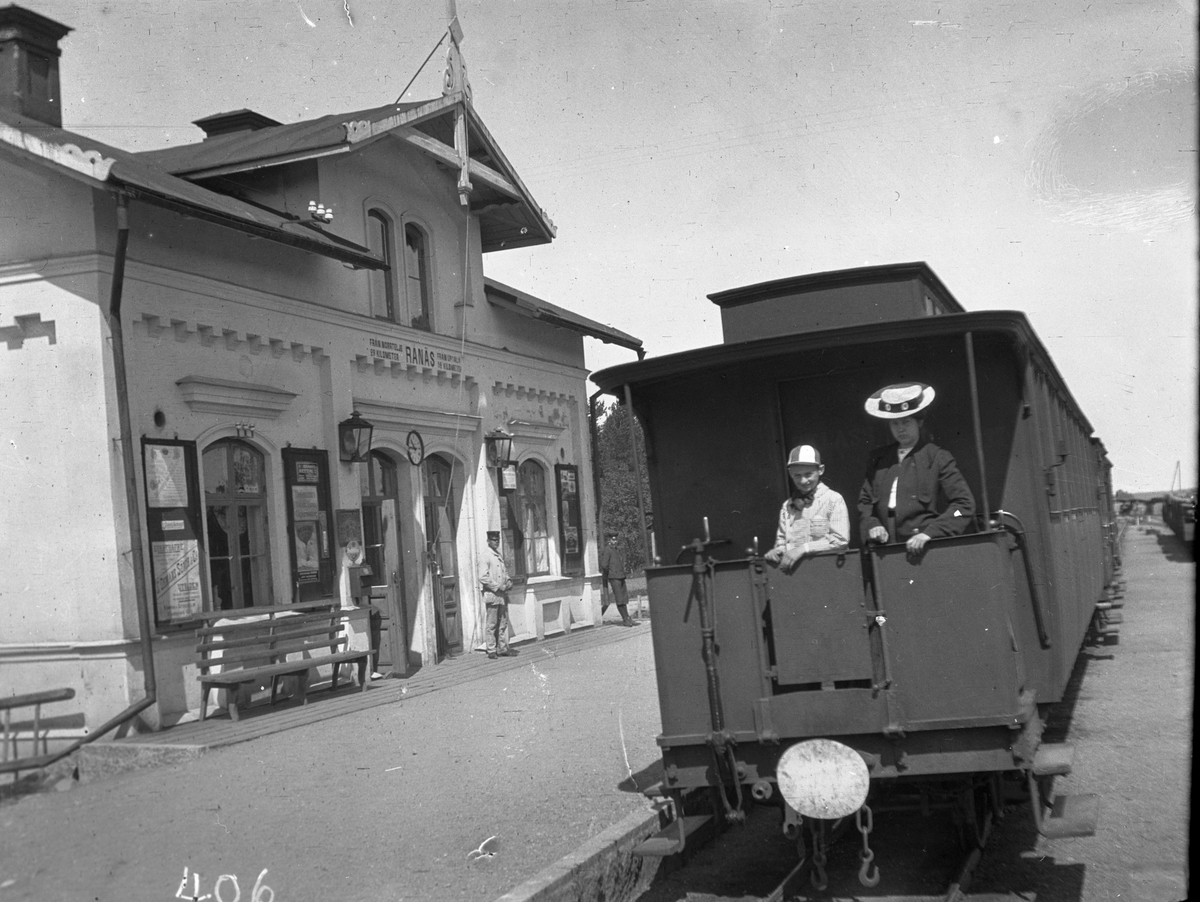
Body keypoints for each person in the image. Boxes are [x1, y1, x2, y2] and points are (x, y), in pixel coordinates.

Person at [858, 382, 975, 554]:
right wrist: (872, 525)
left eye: (906, 422)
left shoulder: (937, 457)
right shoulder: (879, 460)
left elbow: (963, 506)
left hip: (926, 550)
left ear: (919, 422)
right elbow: (865, 503)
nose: (900, 429)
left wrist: (931, 533)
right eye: (895, 423)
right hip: (886, 552)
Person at [764, 444, 850, 573]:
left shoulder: (833, 500)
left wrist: (803, 549)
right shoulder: (787, 506)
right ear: (790, 474)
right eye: (797, 475)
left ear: (820, 470)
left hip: (828, 571)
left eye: (808, 474)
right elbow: (782, 542)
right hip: (797, 573)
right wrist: (776, 551)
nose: (803, 481)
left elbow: (840, 541)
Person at [479, 530, 516, 659]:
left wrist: (509, 581)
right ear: (488, 541)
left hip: (502, 596)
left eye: (497, 540)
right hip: (492, 595)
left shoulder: (498, 556)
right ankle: (491, 650)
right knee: (492, 623)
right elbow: (483, 577)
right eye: (493, 540)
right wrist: (497, 586)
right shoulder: (485, 556)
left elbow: (504, 573)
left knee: (503, 623)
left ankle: (502, 648)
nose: (496, 542)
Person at [598, 530, 636, 626]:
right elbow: (604, 565)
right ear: (609, 540)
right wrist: (610, 573)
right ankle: (625, 619)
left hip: (621, 576)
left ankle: (627, 617)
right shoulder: (607, 550)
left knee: (624, 598)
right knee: (619, 599)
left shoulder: (616, 550)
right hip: (614, 577)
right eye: (613, 540)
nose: (615, 541)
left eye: (615, 540)